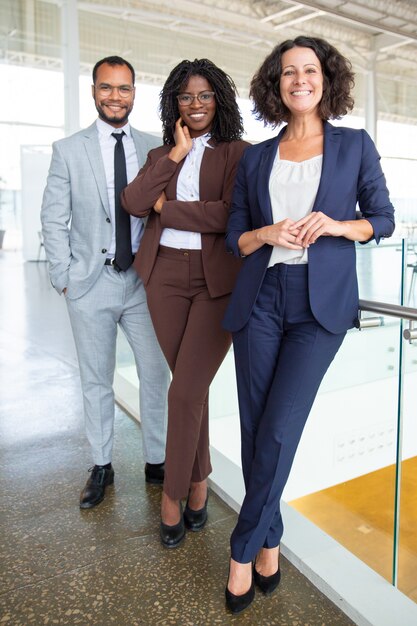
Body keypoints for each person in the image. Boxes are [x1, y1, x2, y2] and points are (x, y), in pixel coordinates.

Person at [222, 36, 395, 613]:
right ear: (276, 84)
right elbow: (236, 237)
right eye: (289, 71)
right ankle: (270, 539)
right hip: (261, 297)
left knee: (276, 429)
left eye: (311, 69)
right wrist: (267, 235)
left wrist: (338, 226)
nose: (300, 79)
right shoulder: (256, 157)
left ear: (327, 79)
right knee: (254, 427)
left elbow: (383, 219)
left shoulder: (353, 146)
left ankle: (242, 549)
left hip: (319, 307)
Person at [121, 58, 249, 548]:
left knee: (185, 390)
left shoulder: (239, 153)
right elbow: (134, 202)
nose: (195, 105)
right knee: (190, 390)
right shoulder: (161, 154)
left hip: (217, 283)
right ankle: (199, 483)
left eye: (204, 96)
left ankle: (174, 496)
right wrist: (176, 154)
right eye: (186, 97)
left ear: (220, 99)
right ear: (174, 103)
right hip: (164, 278)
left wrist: (169, 210)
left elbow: (230, 214)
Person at [41, 56, 170, 510]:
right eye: (107, 87)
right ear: (93, 91)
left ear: (135, 93)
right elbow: (53, 219)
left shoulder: (157, 148)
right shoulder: (68, 150)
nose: (116, 96)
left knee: (157, 374)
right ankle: (102, 465)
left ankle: (157, 461)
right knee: (97, 381)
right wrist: (63, 277)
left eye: (124, 88)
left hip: (143, 283)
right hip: (89, 284)